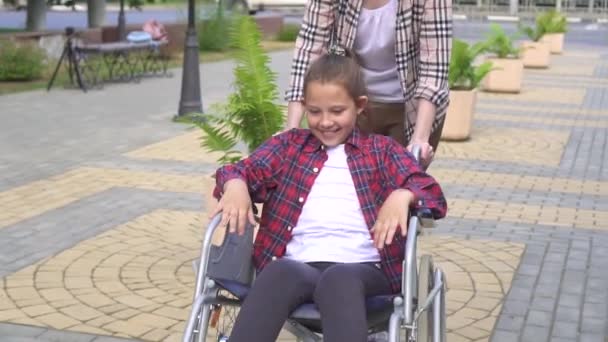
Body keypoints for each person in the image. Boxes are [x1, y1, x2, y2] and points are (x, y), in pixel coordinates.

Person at [212, 51, 447, 342]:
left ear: (359, 106)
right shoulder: (290, 147)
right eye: (314, 111)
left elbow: (432, 193)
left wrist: (403, 194)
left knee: (340, 279)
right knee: (277, 272)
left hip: (365, 269)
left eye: (337, 111)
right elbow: (240, 170)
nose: (325, 122)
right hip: (300, 265)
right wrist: (235, 184)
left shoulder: (381, 151)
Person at [284, 0, 452, 167]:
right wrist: (291, 130)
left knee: (400, 183)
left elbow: (434, 66)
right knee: (350, 180)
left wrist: (420, 138)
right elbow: (309, 48)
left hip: (413, 107)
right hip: (353, 104)